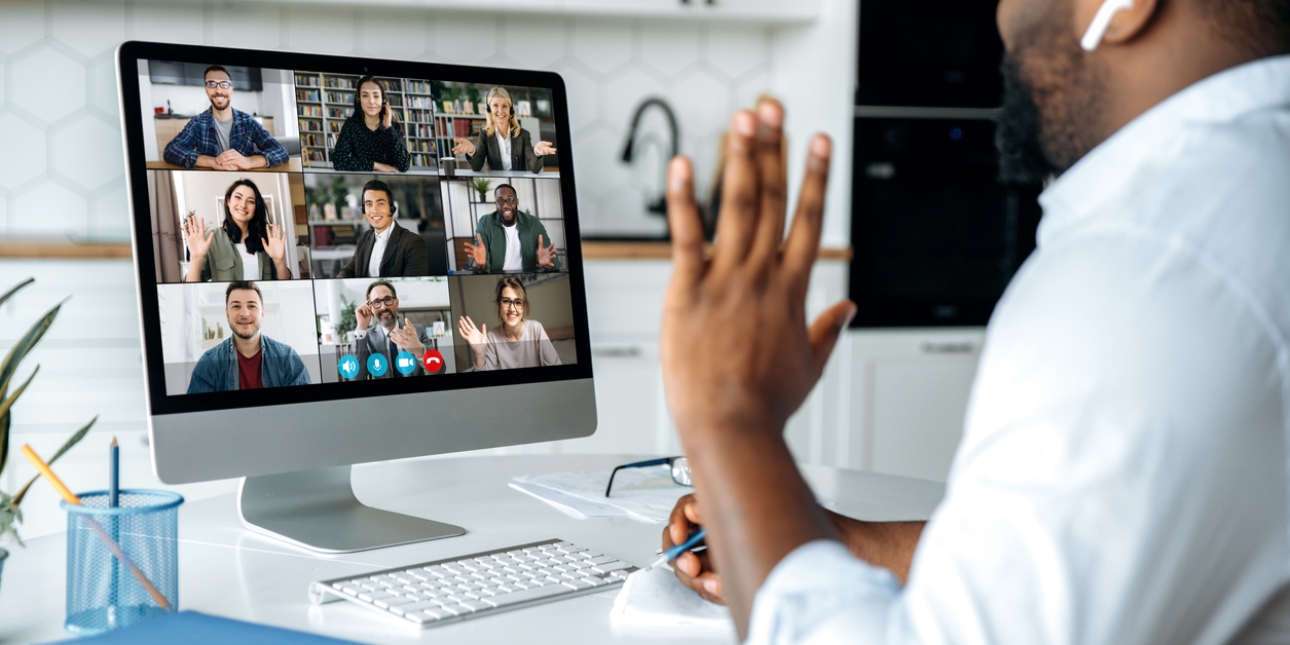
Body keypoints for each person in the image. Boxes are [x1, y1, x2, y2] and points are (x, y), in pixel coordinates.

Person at [657, 0, 1290, 640]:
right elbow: (1065, 560)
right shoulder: (1253, 195)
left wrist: (730, 417)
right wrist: (827, 539)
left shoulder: (1145, 272)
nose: (1000, 16)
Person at [187, 281, 311, 393]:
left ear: (262, 314)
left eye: (252, 306)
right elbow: (198, 415)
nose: (244, 314)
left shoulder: (287, 358)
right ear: (227, 314)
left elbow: (304, 409)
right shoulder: (209, 363)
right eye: (236, 306)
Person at [163, 65, 289, 171]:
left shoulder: (248, 122)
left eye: (224, 84)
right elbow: (171, 150)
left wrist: (249, 162)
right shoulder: (197, 123)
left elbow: (281, 151)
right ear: (206, 89)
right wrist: (212, 162)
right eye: (212, 84)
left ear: (231, 89)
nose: (219, 90)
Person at [181, 178, 291, 282]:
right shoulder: (211, 239)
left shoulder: (267, 239)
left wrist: (279, 261)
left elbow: (285, 284)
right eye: (238, 197)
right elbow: (192, 289)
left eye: (251, 201)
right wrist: (196, 259)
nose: (243, 205)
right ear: (228, 201)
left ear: (256, 207)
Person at [457, 276, 561, 371]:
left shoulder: (536, 329)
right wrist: (480, 355)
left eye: (518, 302)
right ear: (499, 304)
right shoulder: (492, 338)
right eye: (506, 301)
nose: (512, 309)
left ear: (524, 306)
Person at [336, 180, 430, 278]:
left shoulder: (413, 242)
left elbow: (415, 285)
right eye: (369, 204)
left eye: (380, 204)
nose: (374, 210)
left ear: (391, 207)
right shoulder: (364, 238)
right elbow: (349, 270)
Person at [451, 87, 555, 173]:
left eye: (505, 106)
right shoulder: (485, 134)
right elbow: (477, 166)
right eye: (495, 105)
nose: (500, 111)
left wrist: (536, 152)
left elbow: (534, 168)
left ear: (510, 110)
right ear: (489, 109)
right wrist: (472, 151)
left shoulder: (523, 134)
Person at [352, 280, 442, 379]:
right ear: (371, 308)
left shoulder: (417, 331)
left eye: (388, 299)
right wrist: (361, 327)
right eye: (377, 302)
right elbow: (357, 378)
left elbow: (440, 370)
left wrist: (421, 351)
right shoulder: (366, 337)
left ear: (397, 302)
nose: (383, 307)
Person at [463, 184, 560, 273]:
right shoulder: (485, 222)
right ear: (495, 203)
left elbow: (554, 262)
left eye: (511, 200)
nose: (505, 205)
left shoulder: (533, 223)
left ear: (517, 201)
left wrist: (547, 265)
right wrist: (481, 266)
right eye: (500, 201)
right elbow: (476, 260)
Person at [331, 76, 411, 173]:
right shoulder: (351, 125)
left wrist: (388, 127)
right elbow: (338, 161)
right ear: (359, 100)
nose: (371, 101)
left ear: (383, 101)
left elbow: (404, 165)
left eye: (376, 96)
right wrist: (376, 165)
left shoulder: (392, 127)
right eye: (365, 95)